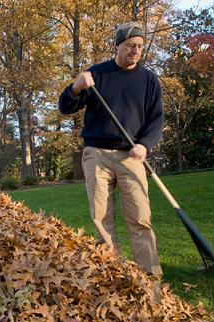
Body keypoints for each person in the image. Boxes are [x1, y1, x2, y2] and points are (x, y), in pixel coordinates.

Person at [58, 21, 164, 278]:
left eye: (139, 46)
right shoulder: (97, 74)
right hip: (97, 154)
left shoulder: (149, 79)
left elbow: (156, 119)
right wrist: (76, 87)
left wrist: (144, 145)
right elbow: (65, 107)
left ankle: (150, 278)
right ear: (118, 46)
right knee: (102, 219)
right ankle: (112, 275)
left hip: (132, 156)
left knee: (140, 218)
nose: (136, 51)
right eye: (130, 46)